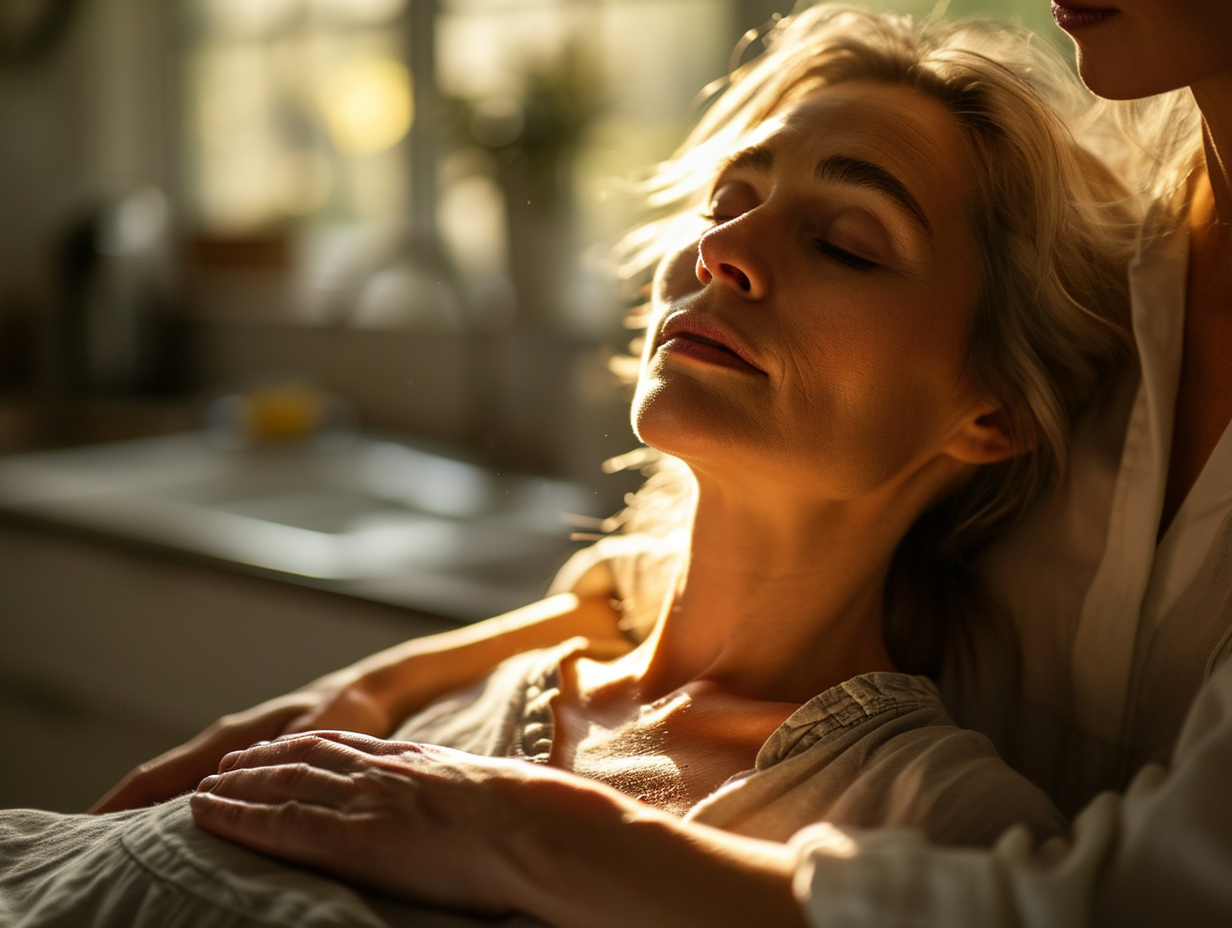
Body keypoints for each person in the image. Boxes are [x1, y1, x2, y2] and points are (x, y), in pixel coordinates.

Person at [0, 5, 1142, 927]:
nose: (722, 251)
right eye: (729, 202)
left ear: (988, 412)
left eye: (845, 240)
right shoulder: (475, 698)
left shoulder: (931, 829)